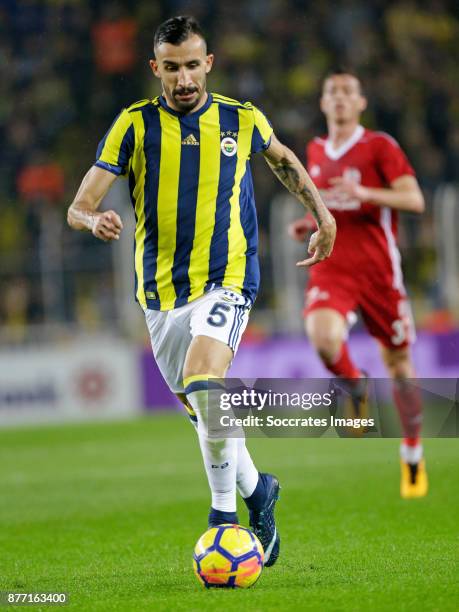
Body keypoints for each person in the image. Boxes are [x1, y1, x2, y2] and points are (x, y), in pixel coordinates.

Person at [67, 16, 336, 566]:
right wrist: (92, 221)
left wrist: (323, 213)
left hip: (228, 277)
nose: (184, 78)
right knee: (205, 413)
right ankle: (260, 490)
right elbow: (79, 204)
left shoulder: (241, 118)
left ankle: (223, 519)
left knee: (206, 385)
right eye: (172, 68)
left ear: (208, 63)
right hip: (161, 296)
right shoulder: (132, 126)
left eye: (193, 64)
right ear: (155, 69)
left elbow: (283, 160)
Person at [288, 70, 427, 499]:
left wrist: (365, 191)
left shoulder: (379, 146)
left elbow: (414, 199)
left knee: (400, 368)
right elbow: (328, 206)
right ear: (323, 103)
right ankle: (355, 384)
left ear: (361, 102)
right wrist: (310, 223)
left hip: (380, 272)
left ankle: (412, 454)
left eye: (349, 91)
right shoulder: (312, 151)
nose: (341, 98)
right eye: (333, 92)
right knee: (323, 337)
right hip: (333, 266)